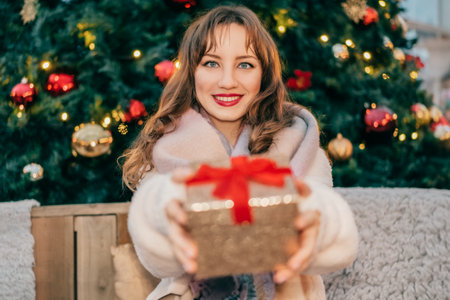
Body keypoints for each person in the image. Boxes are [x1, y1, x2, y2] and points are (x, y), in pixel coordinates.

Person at [122, 5, 358, 300]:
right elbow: (154, 255)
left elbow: (332, 240)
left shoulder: (299, 144)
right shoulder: (164, 148)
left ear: (264, 74)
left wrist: (312, 222)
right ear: (192, 71)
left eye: (245, 64)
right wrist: (169, 217)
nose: (227, 81)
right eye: (211, 63)